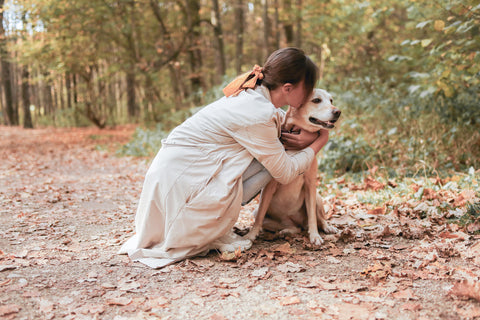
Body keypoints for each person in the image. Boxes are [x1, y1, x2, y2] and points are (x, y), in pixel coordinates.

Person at [119, 47, 329, 268]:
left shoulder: (252, 96)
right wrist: (319, 140)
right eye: (308, 90)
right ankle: (205, 227)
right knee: (274, 162)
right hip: (182, 187)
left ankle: (213, 222)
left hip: (173, 178)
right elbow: (285, 172)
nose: (309, 95)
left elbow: (278, 124)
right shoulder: (259, 112)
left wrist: (304, 135)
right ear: (288, 88)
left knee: (273, 152)